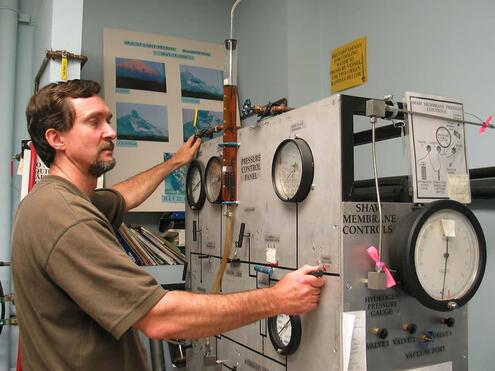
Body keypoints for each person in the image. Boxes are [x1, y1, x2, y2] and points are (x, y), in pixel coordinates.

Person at [11, 79, 325, 371]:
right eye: (93, 122)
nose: (110, 131)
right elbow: (159, 318)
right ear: (56, 138)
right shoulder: (64, 215)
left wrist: (175, 162)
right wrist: (278, 299)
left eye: (107, 119)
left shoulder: (62, 200)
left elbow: (121, 197)